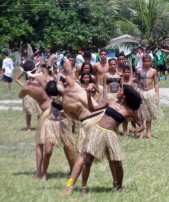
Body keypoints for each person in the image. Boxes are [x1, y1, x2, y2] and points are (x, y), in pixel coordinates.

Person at [81, 84, 145, 193]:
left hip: (110, 135)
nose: (118, 90)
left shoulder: (129, 111)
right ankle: (84, 188)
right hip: (97, 131)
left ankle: (118, 188)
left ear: (124, 95)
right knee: (87, 160)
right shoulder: (110, 102)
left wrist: (136, 130)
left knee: (117, 163)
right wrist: (88, 96)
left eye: (120, 90)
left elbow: (142, 125)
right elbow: (92, 109)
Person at [58, 58, 104, 194]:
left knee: (82, 158)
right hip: (100, 119)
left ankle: (69, 186)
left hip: (91, 121)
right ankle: (117, 186)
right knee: (111, 155)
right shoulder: (76, 89)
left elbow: (75, 118)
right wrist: (60, 61)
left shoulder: (65, 104)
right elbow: (67, 68)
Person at [18, 61, 52, 179]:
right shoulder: (43, 79)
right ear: (35, 69)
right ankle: (73, 170)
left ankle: (40, 173)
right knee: (66, 145)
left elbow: (20, 95)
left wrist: (26, 85)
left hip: (46, 113)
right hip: (56, 110)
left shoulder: (28, 87)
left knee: (41, 144)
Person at [136, 54, 163, 139]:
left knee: (148, 114)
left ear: (150, 62)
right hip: (140, 92)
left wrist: (157, 95)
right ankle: (141, 133)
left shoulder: (154, 71)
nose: (147, 63)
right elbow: (136, 81)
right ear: (142, 62)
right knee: (140, 114)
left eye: (148, 61)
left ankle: (148, 133)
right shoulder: (138, 70)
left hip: (150, 93)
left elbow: (156, 83)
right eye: (145, 61)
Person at [15, 65, 42, 131]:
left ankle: (40, 127)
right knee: (28, 111)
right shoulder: (26, 71)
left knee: (39, 110)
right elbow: (16, 79)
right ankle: (28, 127)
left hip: (37, 91)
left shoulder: (38, 71)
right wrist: (23, 85)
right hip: (28, 92)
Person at [122, 65, 138, 136]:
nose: (127, 74)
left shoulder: (132, 80)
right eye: (125, 72)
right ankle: (125, 132)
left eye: (128, 72)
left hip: (131, 100)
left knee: (133, 118)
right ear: (123, 73)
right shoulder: (121, 80)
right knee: (124, 117)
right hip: (124, 100)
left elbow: (138, 81)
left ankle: (134, 131)